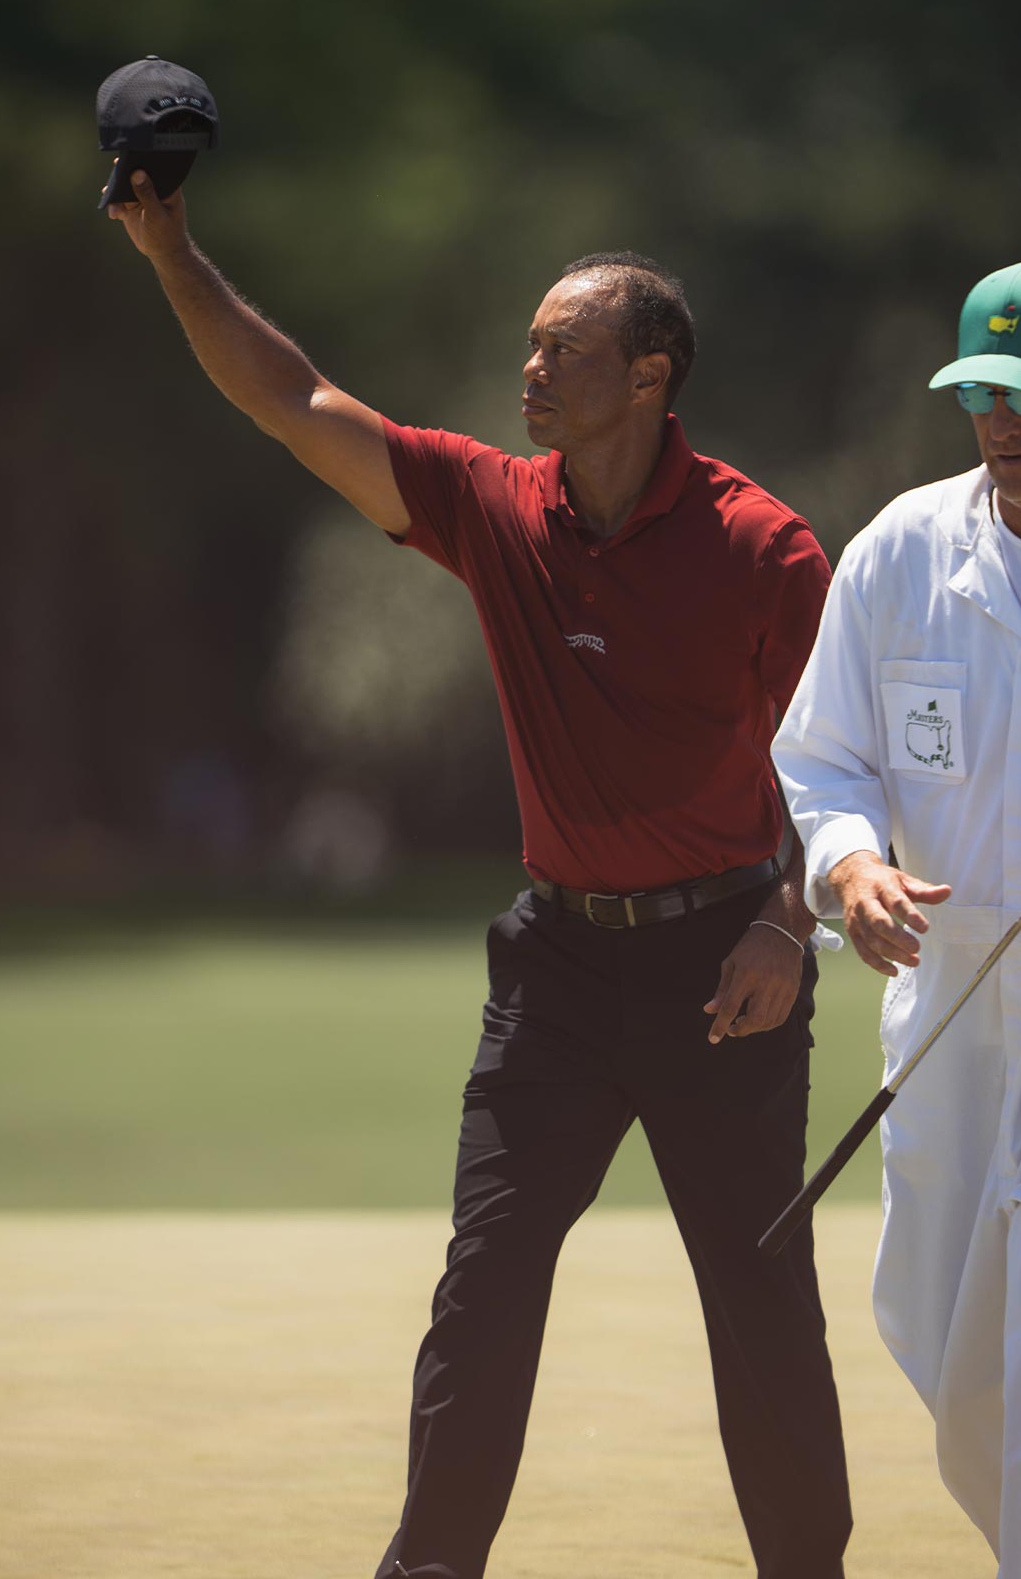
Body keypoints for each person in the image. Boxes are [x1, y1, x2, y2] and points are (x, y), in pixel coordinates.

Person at [109, 169, 852, 1579]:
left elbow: (838, 761)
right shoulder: (496, 507)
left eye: (560, 350)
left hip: (726, 979)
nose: (530, 370)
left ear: (648, 373)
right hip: (559, 974)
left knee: (758, 1299)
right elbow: (296, 403)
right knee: (486, 1284)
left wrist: (783, 921)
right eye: (528, 346)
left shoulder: (763, 547)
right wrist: (171, 248)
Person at [772, 262, 1021, 1572]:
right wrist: (852, 867)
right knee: (939, 1329)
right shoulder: (902, 551)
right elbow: (825, 760)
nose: (1006, 423)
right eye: (988, 392)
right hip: (948, 1007)